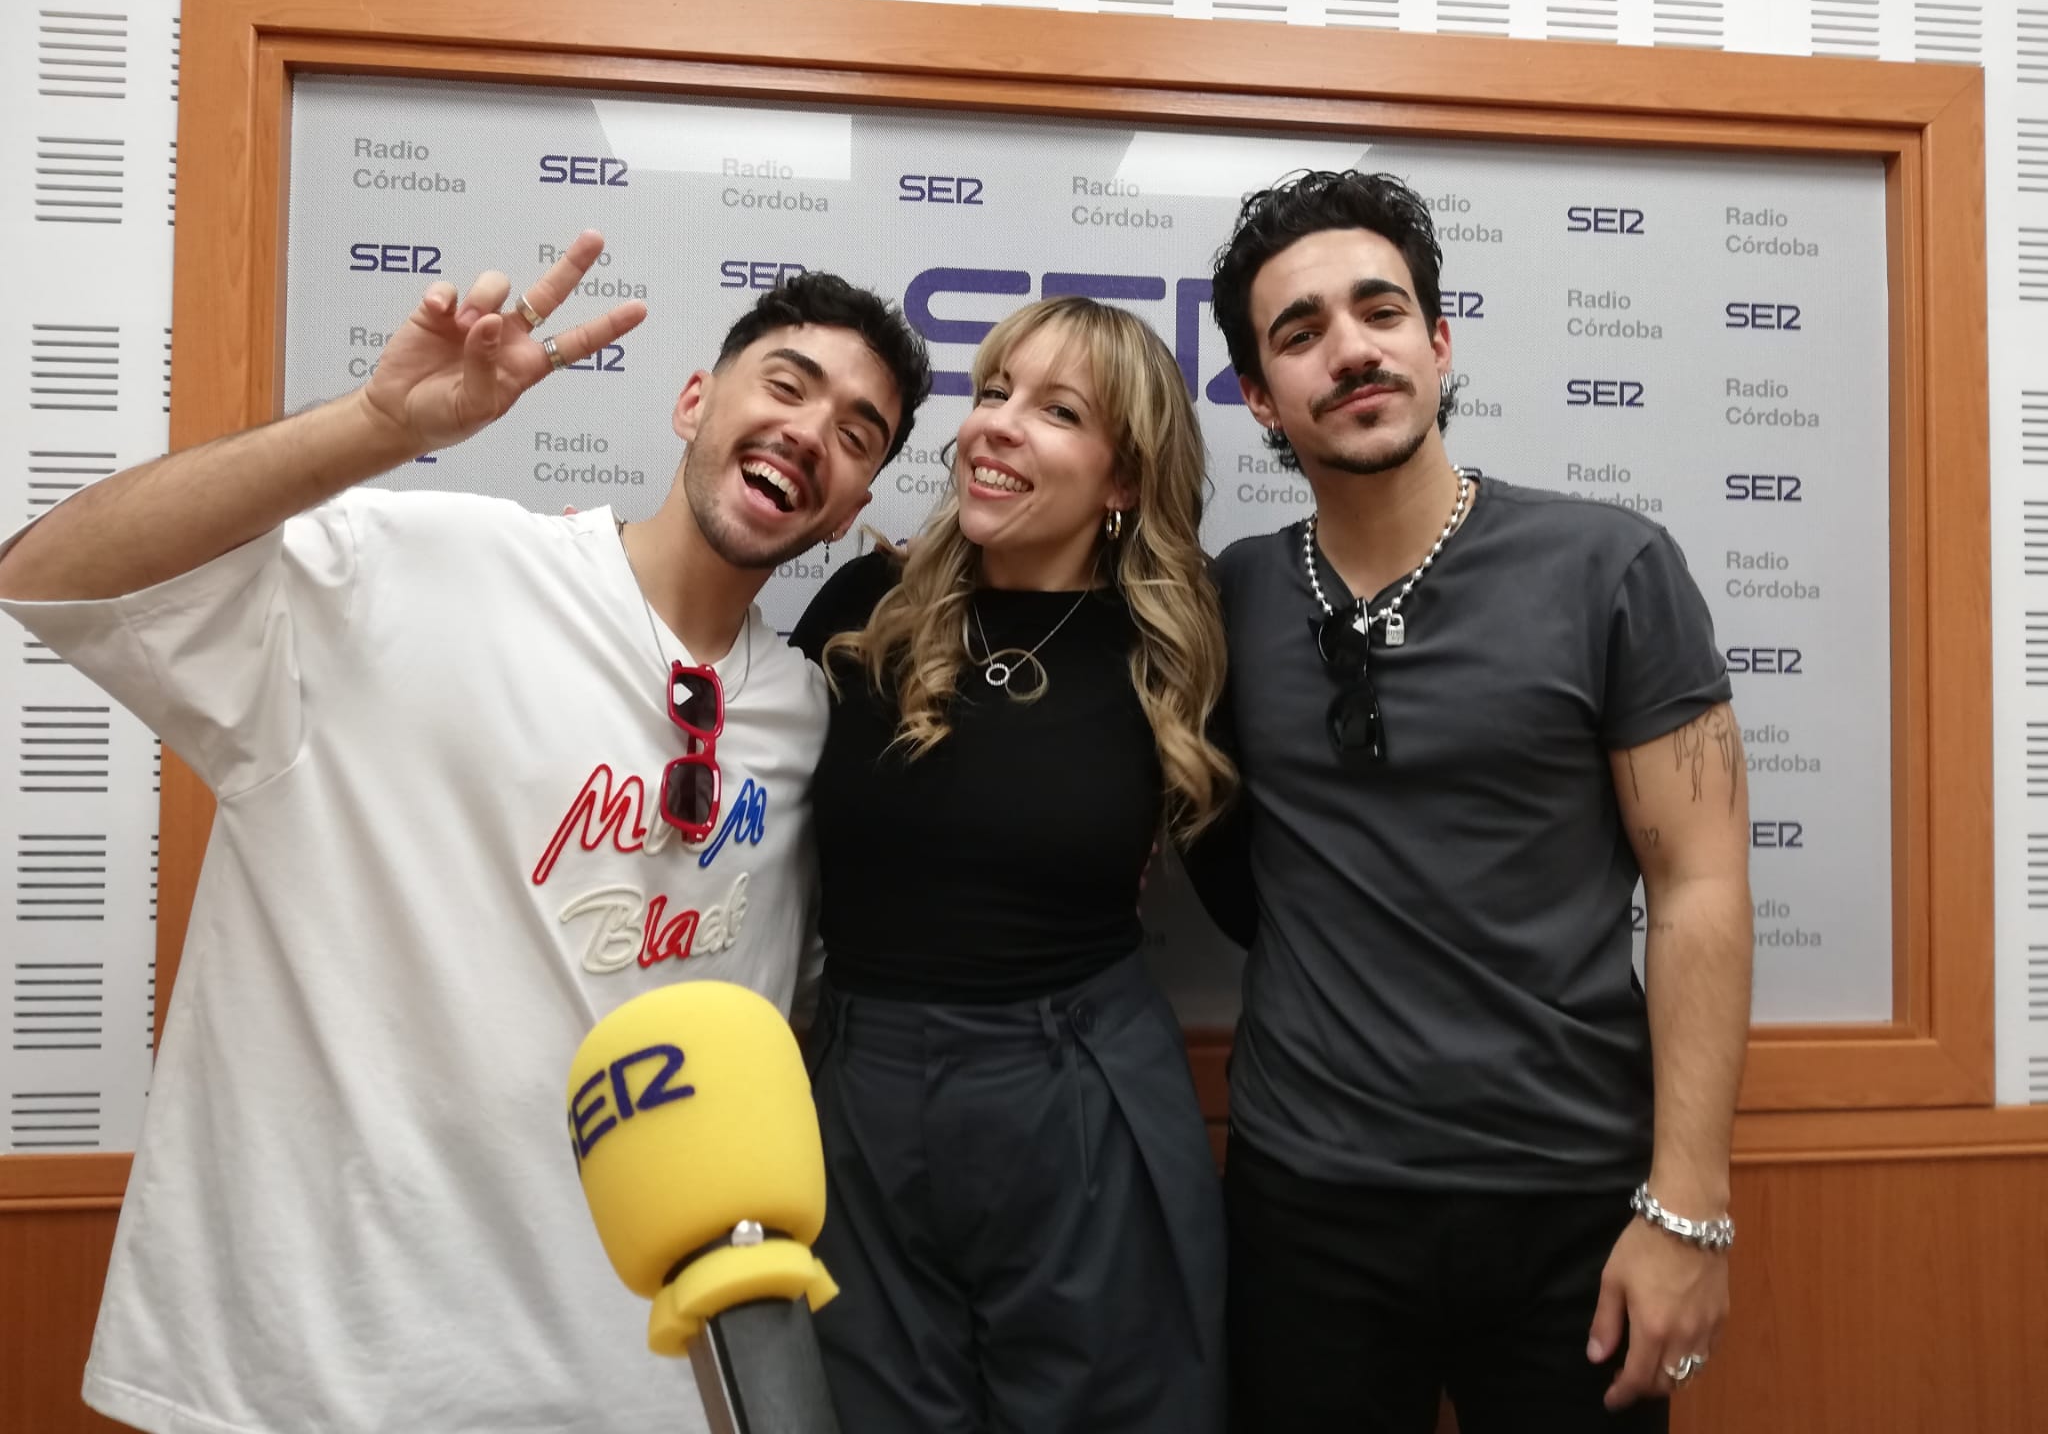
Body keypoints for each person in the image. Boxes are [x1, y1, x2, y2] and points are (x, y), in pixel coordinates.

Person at [0, 232, 932, 1434]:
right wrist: (381, 427)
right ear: (695, 400)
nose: (812, 433)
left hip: (639, 1382)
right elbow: (59, 577)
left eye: (858, 434)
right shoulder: (424, 570)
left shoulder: (806, 719)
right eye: (788, 384)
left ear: (853, 503)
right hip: (329, 1374)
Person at [1192, 171, 1753, 1433]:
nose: (1348, 350)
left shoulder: (1609, 565)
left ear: (1436, 342)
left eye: (1377, 311)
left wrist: (1688, 1208)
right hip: (1306, 1204)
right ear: (1256, 397)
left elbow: (1700, 886)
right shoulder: (1229, 596)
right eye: (1299, 333)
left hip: (1572, 1206)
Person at [787, 296, 1235, 1434]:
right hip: (855, 1089)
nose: (996, 424)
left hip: (1077, 1085)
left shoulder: (1174, 656)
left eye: (1055, 409)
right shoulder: (860, 609)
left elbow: (1259, 893)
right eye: (992, 392)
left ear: (1122, 480)